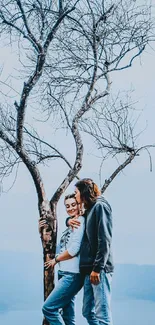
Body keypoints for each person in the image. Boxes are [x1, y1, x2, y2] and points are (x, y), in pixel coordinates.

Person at [67, 178, 114, 325]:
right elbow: (77, 219)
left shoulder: (100, 207)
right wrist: (68, 221)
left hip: (99, 269)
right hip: (89, 269)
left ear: (84, 192)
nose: (75, 196)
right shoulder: (90, 208)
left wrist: (98, 268)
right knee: (87, 311)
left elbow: (104, 239)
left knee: (103, 314)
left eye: (76, 193)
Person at [41, 194, 85, 325]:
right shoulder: (71, 222)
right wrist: (42, 231)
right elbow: (60, 246)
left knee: (48, 309)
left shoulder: (80, 222)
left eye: (73, 204)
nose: (71, 208)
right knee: (68, 316)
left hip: (72, 274)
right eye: (67, 206)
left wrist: (56, 260)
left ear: (79, 205)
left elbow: (73, 250)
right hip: (64, 273)